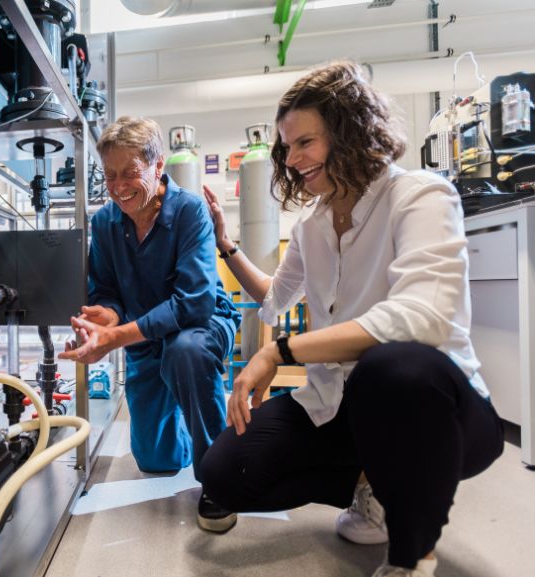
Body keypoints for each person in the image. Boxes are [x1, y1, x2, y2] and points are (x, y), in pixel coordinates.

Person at [200, 61, 504, 577]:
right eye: (288, 147)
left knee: (392, 367)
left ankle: (411, 555)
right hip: (338, 406)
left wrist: (281, 351)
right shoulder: (313, 225)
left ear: (350, 131)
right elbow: (275, 296)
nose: (293, 160)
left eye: (305, 143)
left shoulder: (420, 195)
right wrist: (225, 243)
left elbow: (422, 317)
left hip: (438, 410)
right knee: (222, 473)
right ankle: (378, 482)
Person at [58, 116, 241, 532]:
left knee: (185, 353)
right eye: (110, 175)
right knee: (156, 461)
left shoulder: (191, 211)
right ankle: (195, 414)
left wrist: (116, 336)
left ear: (158, 166)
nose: (119, 185)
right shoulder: (105, 223)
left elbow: (193, 303)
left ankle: (220, 473)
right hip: (144, 339)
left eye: (130, 173)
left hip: (202, 326)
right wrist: (105, 317)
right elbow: (105, 289)